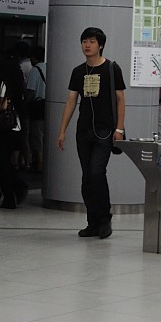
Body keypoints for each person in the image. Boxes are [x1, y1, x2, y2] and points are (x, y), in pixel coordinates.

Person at [57, 26, 126, 239]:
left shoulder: (112, 68)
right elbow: (71, 100)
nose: (87, 45)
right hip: (83, 131)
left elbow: (120, 99)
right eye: (84, 41)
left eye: (92, 41)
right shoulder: (78, 71)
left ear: (100, 45)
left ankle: (105, 219)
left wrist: (119, 128)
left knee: (97, 173)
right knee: (87, 177)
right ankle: (92, 222)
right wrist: (62, 131)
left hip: (105, 131)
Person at [0, 47, 28, 209]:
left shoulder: (2, 82)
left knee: (3, 163)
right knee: (10, 162)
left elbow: (2, 105)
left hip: (3, 127)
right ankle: (17, 189)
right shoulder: (18, 83)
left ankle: (9, 197)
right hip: (16, 125)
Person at [26, 46, 46, 174]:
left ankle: (39, 164)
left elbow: (31, 91)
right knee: (45, 136)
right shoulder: (50, 67)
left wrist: (25, 103)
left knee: (36, 137)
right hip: (48, 106)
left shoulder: (35, 70)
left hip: (37, 107)